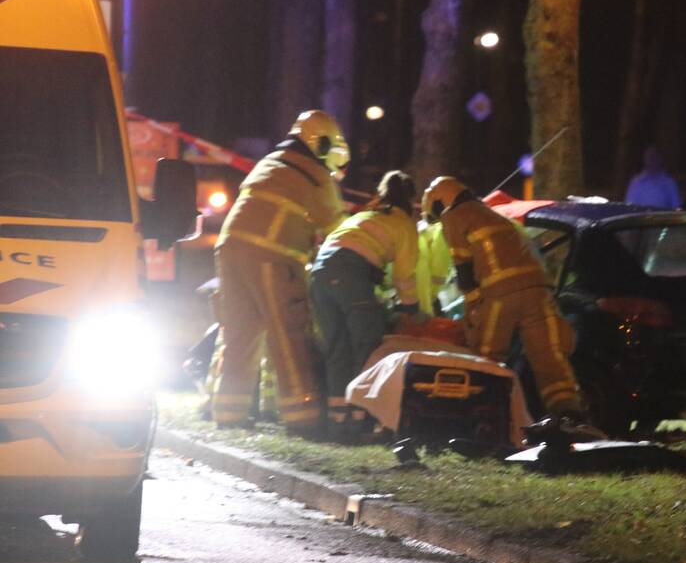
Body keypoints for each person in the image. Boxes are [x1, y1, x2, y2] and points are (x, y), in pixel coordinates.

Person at [212, 110, 349, 436]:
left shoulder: (270, 163)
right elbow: (338, 230)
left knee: (240, 334)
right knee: (289, 335)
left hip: (229, 251)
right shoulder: (315, 175)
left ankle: (228, 412)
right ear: (322, 144)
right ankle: (303, 418)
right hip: (273, 256)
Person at [422, 176, 585, 420]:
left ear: (440, 200)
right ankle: (569, 413)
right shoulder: (492, 214)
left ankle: (479, 413)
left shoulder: (454, 216)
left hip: (501, 294)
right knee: (548, 357)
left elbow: (464, 271)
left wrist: (473, 310)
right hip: (539, 291)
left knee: (486, 354)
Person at [310, 170, 420, 441]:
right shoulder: (404, 223)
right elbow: (404, 275)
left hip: (320, 273)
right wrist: (410, 308)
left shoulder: (364, 215)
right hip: (350, 272)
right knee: (367, 345)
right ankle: (360, 422)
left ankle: (337, 423)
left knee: (337, 348)